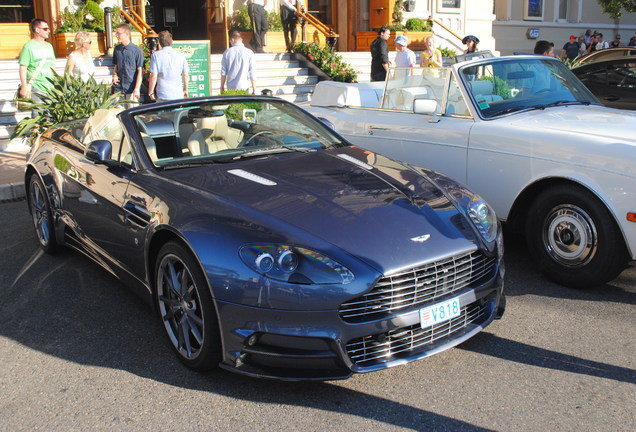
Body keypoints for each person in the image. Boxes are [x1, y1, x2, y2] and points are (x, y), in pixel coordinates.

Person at [18, 18, 56, 101]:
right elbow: (23, 68)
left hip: (50, 86)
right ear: (37, 30)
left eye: (48, 29)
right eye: (45, 29)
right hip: (36, 85)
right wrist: (24, 86)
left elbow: (52, 66)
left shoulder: (49, 46)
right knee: (38, 112)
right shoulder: (28, 47)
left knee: (50, 114)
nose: (48, 31)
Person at [147, 30, 189, 102]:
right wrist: (185, 89)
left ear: (159, 42)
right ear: (171, 41)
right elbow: (185, 75)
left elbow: (153, 76)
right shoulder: (180, 55)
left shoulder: (156, 55)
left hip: (163, 93)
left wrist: (151, 92)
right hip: (177, 94)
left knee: (163, 113)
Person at [112, 24, 144, 105]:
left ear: (126, 34)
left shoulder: (136, 50)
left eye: (118, 33)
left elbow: (140, 71)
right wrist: (114, 75)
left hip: (131, 88)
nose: (116, 36)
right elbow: (116, 65)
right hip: (119, 87)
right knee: (117, 112)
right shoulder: (117, 49)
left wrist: (137, 88)